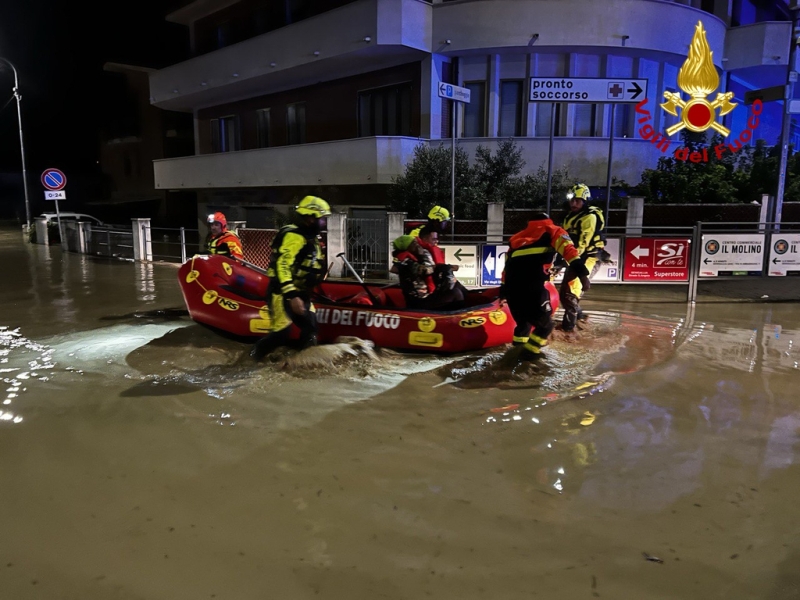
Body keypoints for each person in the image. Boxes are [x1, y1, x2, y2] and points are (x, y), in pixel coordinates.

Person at [500, 212, 591, 361]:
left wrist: (503, 291)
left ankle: (514, 354)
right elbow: (570, 252)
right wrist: (583, 275)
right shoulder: (553, 230)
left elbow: (506, 268)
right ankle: (528, 356)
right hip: (533, 285)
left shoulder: (515, 238)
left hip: (511, 287)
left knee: (523, 325)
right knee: (546, 325)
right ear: (548, 220)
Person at [251, 196, 330, 360]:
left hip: (302, 292)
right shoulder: (294, 237)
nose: (324, 222)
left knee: (311, 329)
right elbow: (283, 265)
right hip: (282, 292)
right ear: (310, 218)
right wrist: (292, 296)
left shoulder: (311, 238)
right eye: (322, 219)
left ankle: (303, 363)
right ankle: (254, 357)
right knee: (281, 333)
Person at [559, 183, 606, 332]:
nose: (573, 203)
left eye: (577, 200)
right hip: (576, 258)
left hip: (589, 258)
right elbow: (564, 240)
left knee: (571, 294)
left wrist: (565, 261)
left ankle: (569, 331)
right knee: (564, 293)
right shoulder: (569, 217)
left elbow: (582, 244)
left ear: (585, 201)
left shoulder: (589, 217)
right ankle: (580, 317)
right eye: (572, 200)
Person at [391, 234, 464, 310]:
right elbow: (426, 270)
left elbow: (432, 267)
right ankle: (458, 318)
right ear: (407, 247)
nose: (418, 245)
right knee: (456, 293)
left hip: (427, 296)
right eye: (414, 243)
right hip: (418, 302)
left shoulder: (414, 259)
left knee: (457, 285)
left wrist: (447, 267)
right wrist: (423, 255)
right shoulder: (405, 262)